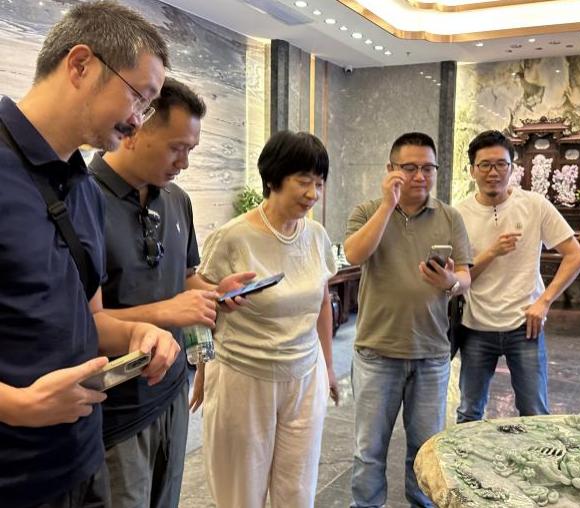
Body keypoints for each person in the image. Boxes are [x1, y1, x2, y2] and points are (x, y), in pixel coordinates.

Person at [0, 2, 181, 507]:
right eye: (138, 97)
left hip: (84, 460)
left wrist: (139, 334)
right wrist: (15, 404)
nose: (138, 121)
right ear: (80, 64)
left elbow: (91, 318)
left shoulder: (83, 188)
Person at [88, 77, 253, 508]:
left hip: (172, 390)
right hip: (115, 409)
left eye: (191, 150)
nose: (184, 162)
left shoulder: (176, 199)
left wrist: (216, 293)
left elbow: (184, 279)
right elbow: (82, 322)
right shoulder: (83, 199)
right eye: (176, 148)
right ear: (135, 127)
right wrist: (168, 311)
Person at [189, 130, 339, 508]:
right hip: (243, 375)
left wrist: (328, 367)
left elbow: (322, 303)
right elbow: (198, 307)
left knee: (297, 491)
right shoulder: (232, 237)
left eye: (319, 183)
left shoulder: (316, 236)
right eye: (303, 181)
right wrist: (203, 370)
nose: (313, 193)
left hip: (304, 376)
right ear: (273, 178)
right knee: (241, 491)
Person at [344, 132, 472, 508]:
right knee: (369, 451)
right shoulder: (367, 211)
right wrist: (388, 205)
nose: (420, 176)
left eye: (428, 168)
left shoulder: (449, 216)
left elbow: (465, 277)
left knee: (425, 450)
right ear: (391, 169)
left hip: (431, 354)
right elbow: (353, 255)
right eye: (410, 167)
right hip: (377, 352)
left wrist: (450, 282)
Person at [454, 130, 580, 422]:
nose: (493, 172)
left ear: (512, 167)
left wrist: (545, 301)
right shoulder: (458, 214)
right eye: (485, 165)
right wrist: (492, 252)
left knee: (534, 414)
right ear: (472, 170)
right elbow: (457, 278)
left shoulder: (534, 205)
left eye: (501, 164)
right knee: (469, 413)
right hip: (476, 326)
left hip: (525, 326)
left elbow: (576, 256)